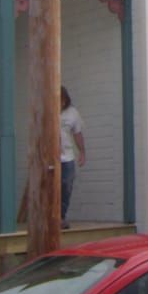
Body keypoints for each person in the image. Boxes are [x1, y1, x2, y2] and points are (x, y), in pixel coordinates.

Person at [60, 85, 86, 229]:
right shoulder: (47, 109)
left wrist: (82, 152)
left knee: (66, 185)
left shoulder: (72, 113)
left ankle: (61, 217)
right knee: (50, 188)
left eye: (63, 100)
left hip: (67, 156)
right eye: (59, 100)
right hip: (49, 157)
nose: (61, 104)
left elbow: (77, 133)